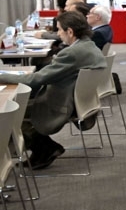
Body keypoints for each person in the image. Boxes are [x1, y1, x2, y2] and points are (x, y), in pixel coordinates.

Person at [0, 11, 106, 169]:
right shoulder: (89, 46)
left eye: (59, 30)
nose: (58, 34)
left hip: (60, 104)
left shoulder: (73, 53)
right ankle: (44, 149)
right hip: (78, 101)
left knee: (12, 112)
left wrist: (2, 75)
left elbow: (33, 80)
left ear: (70, 31)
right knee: (18, 105)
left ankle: (45, 149)